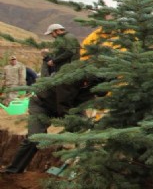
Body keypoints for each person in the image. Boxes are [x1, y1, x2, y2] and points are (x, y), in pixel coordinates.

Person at [0, 23, 93, 175]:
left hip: (66, 106)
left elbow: (80, 103)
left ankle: (84, 172)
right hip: (42, 105)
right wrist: (73, 126)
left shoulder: (92, 84)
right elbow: (63, 104)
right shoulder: (68, 79)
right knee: (34, 138)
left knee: (85, 135)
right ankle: (13, 171)